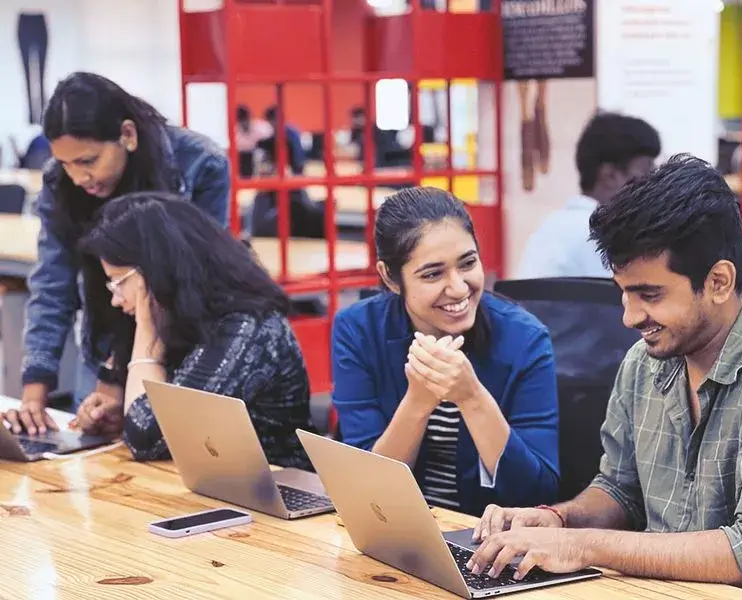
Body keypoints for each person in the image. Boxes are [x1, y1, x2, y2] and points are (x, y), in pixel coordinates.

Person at [467, 155, 742, 598]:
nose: (628, 317)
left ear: (719, 282)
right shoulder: (644, 363)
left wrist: (579, 545)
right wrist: (558, 519)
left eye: (649, 295)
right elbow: (621, 491)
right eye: (623, 292)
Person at [3, 71, 231, 436]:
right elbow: (52, 285)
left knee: (166, 469)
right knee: (95, 463)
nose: (79, 177)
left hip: (179, 349)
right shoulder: (60, 183)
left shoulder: (200, 164)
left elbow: (188, 282)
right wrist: (34, 395)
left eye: (89, 161)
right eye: (66, 164)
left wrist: (117, 370)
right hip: (102, 342)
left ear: (127, 135)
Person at [331, 187, 559, 517]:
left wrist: (472, 398)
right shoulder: (358, 330)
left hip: (485, 540)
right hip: (394, 531)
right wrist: (419, 400)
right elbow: (368, 491)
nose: (458, 287)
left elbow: (535, 494)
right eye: (433, 274)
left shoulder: (526, 339)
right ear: (390, 278)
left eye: (468, 263)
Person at [73, 192, 315, 467]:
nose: (116, 299)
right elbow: (127, 411)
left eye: (119, 283)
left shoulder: (245, 328)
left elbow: (147, 438)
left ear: (157, 271)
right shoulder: (176, 316)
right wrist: (112, 416)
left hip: (276, 490)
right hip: (206, 483)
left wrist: (147, 336)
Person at [515, 111, 660, 279]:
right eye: (647, 172)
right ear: (610, 176)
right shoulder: (602, 233)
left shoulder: (552, 225)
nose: (654, 183)